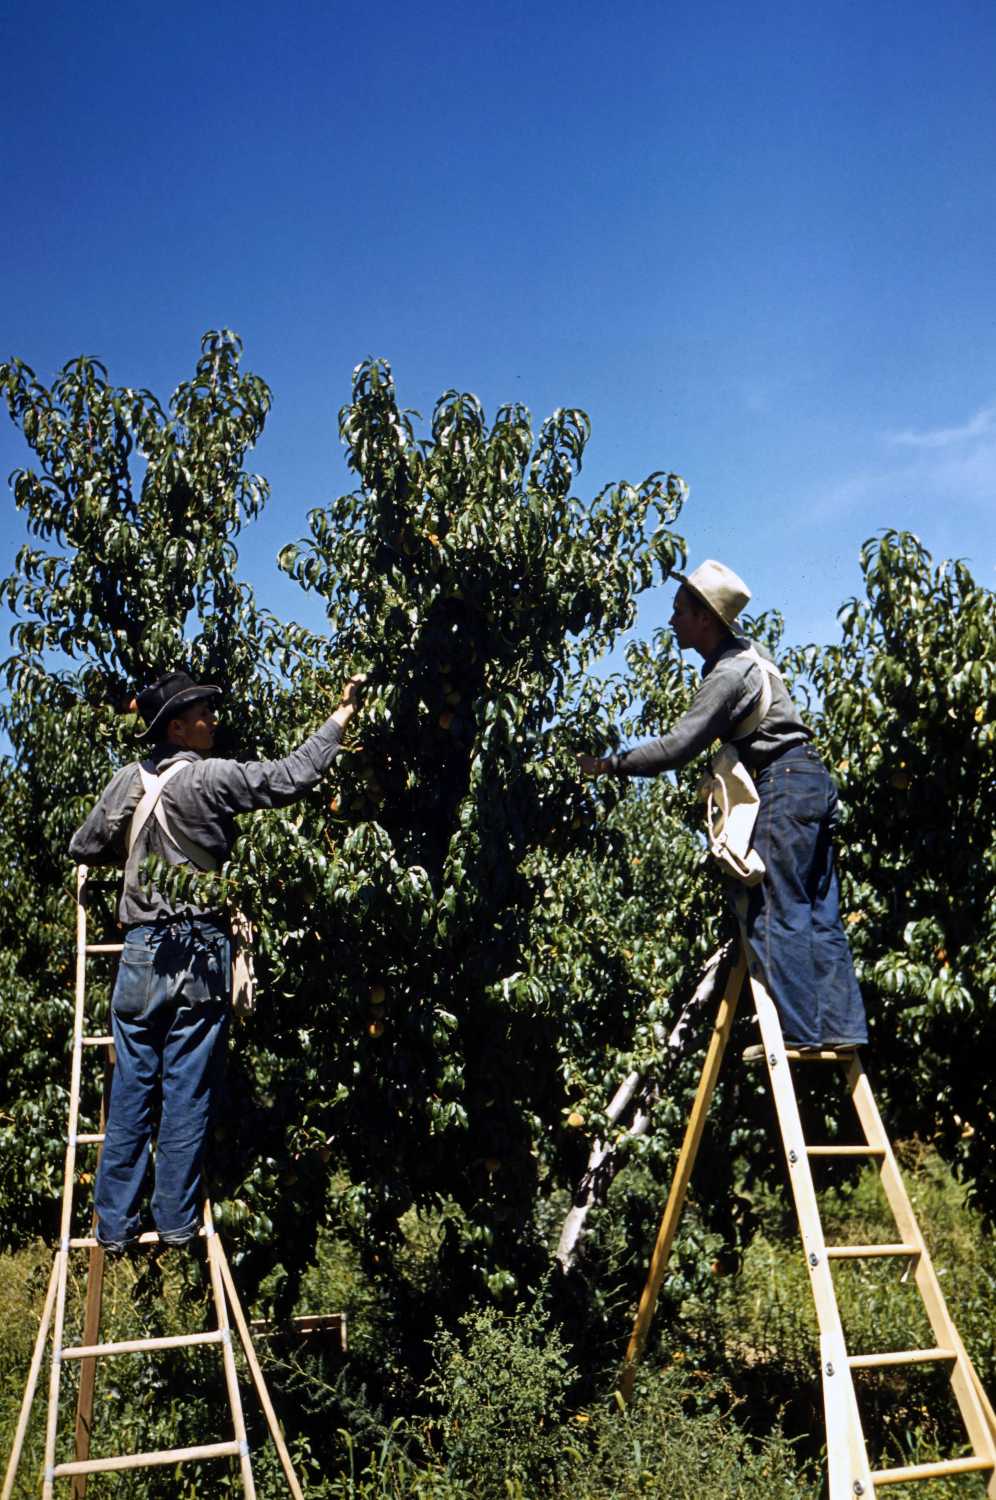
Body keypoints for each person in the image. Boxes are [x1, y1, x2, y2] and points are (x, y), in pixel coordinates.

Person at [69, 668, 364, 1251]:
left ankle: (115, 1226)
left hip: (140, 950)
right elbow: (291, 777)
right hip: (199, 948)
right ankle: (176, 1223)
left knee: (131, 1087)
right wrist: (342, 715)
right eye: (203, 712)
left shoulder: (128, 781)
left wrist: (135, 862)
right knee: (186, 1089)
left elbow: (84, 845)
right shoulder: (211, 778)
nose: (213, 720)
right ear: (176, 727)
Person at [577, 560, 867, 1053]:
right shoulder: (753, 655)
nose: (671, 622)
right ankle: (843, 1028)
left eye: (679, 612)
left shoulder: (730, 675)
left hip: (784, 783)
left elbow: (678, 747)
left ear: (706, 619)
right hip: (814, 782)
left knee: (774, 909)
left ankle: (801, 1035)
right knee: (819, 910)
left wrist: (607, 765)